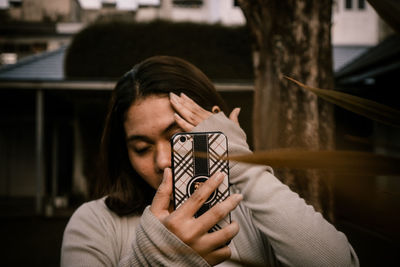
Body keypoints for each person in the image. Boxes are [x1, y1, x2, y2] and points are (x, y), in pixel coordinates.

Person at [61, 55, 359, 266]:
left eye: (177, 136)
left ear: (214, 127)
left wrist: (242, 164)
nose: (163, 161)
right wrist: (154, 258)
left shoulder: (257, 213)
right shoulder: (97, 223)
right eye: (141, 148)